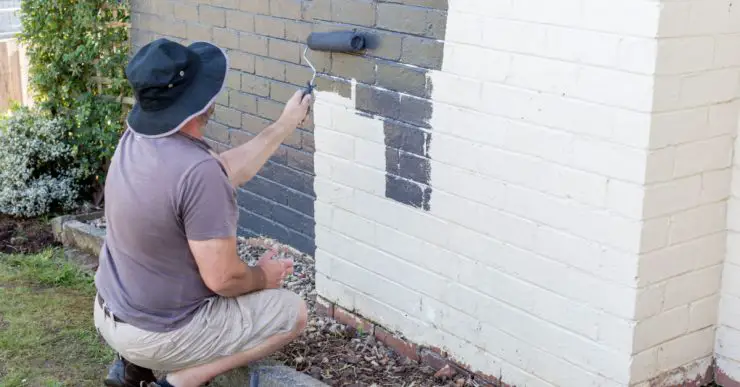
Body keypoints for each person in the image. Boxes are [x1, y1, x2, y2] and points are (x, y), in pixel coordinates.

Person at [93, 37, 312, 387]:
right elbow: (224, 280)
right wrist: (263, 277)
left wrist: (285, 124)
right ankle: (178, 382)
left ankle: (132, 369)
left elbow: (222, 170)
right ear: (197, 102)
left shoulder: (138, 140)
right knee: (292, 313)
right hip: (155, 335)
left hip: (111, 312)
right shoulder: (198, 173)